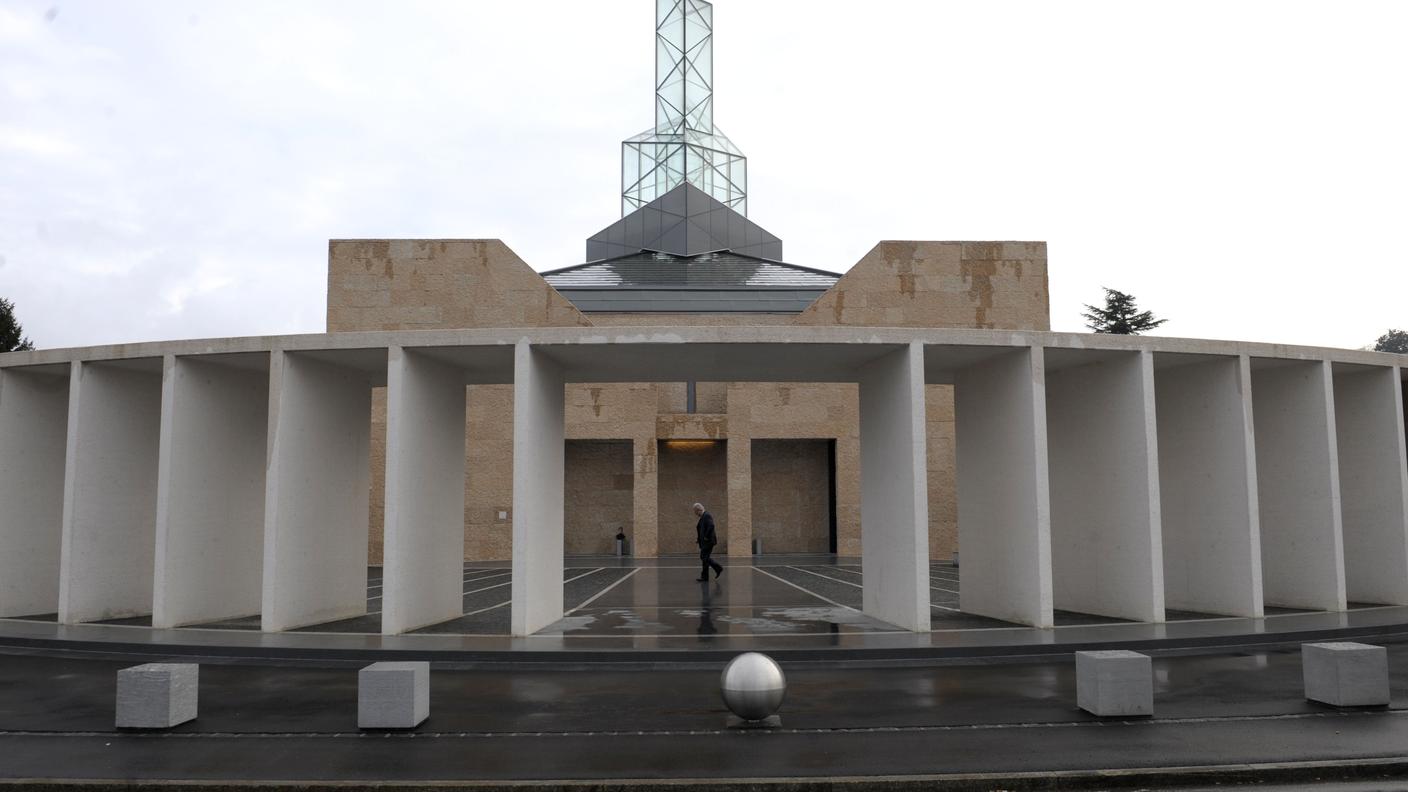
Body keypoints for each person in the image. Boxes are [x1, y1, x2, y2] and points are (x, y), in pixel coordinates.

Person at [693, 502, 723, 582]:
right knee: (704, 558)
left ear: (698, 510)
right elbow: (701, 529)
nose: (695, 514)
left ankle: (718, 568)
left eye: (695, 512)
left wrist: (706, 536)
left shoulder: (707, 515)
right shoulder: (703, 516)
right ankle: (705, 577)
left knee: (704, 557)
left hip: (708, 541)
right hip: (704, 542)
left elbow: (711, 526)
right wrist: (699, 539)